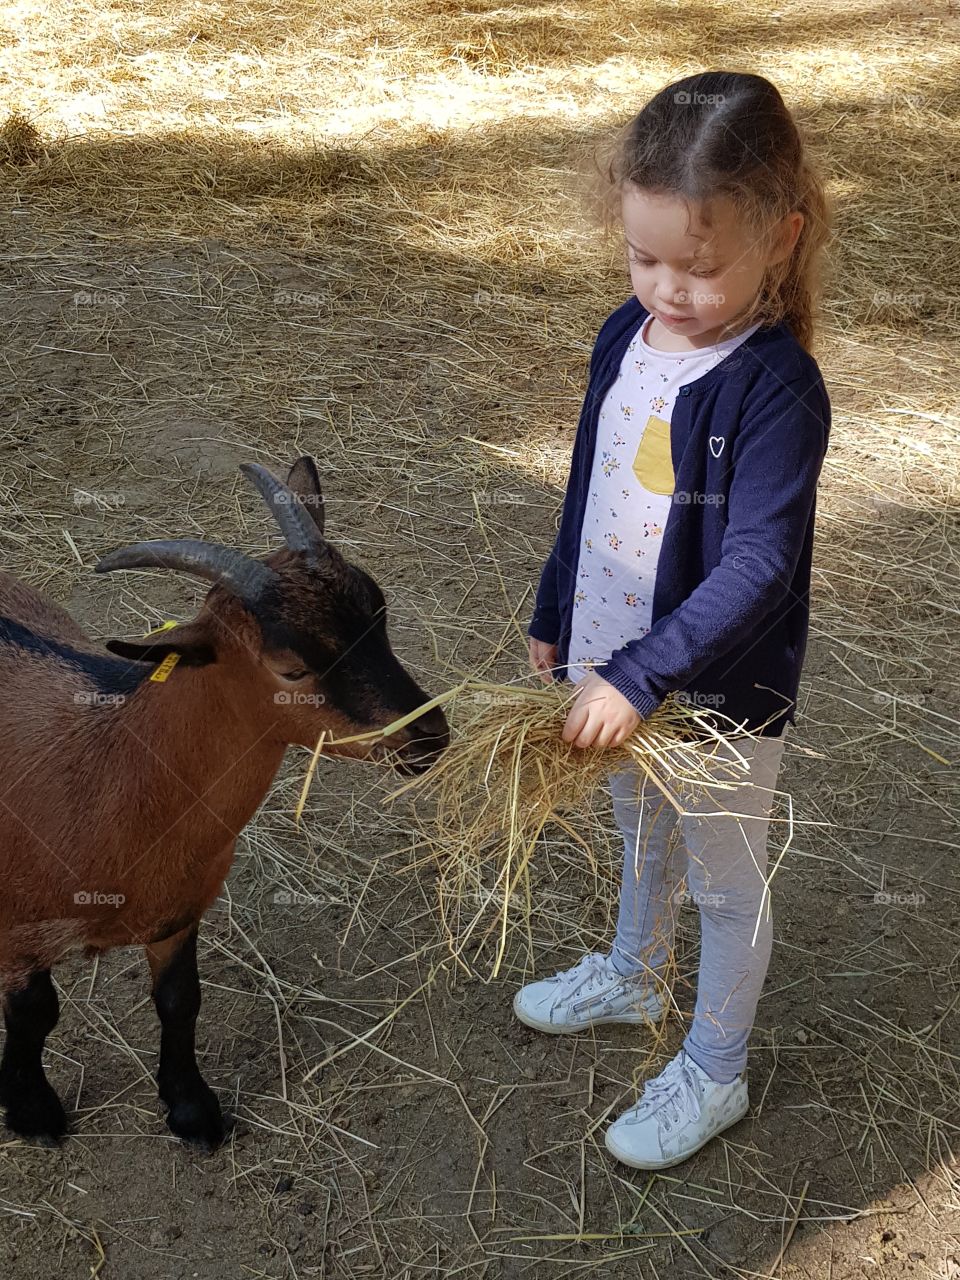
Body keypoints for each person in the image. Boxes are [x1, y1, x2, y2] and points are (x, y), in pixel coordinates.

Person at [518, 70, 832, 1170]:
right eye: (643, 259)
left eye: (701, 268)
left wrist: (643, 675)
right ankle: (635, 970)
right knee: (638, 825)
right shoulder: (625, 334)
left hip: (712, 689)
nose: (668, 290)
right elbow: (590, 483)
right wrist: (558, 605)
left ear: (781, 239)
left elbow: (759, 564)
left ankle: (714, 1065)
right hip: (614, 658)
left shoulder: (776, 390)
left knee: (723, 878)